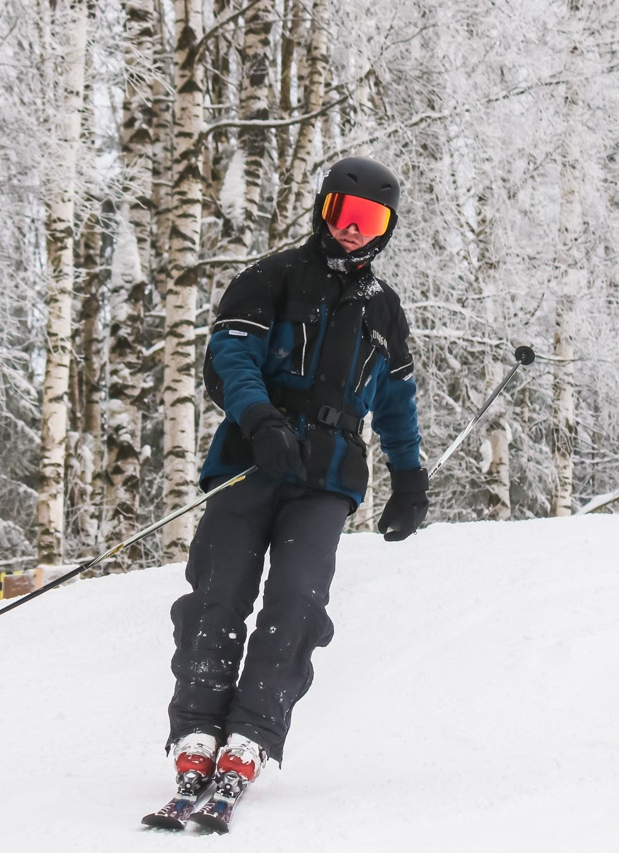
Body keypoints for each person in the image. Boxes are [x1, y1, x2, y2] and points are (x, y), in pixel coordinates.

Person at [164, 156, 429, 803]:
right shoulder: (271, 277)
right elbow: (230, 356)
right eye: (344, 214)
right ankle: (198, 726)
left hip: (327, 479)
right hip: (253, 460)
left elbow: (397, 403)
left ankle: (251, 732)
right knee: (217, 592)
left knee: (297, 603)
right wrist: (260, 419)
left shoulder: (385, 310)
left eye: (370, 221)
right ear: (323, 210)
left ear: (386, 230)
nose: (353, 230)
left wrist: (409, 478)